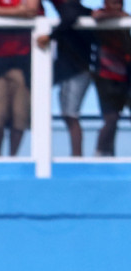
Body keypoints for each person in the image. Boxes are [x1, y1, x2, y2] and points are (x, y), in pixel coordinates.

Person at [0, 0, 40, 156]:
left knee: (20, 117)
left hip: (23, 64)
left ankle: (13, 156)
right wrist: (18, 12)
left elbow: (32, 10)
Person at [36, 0, 92, 157]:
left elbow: (70, 17)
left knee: (71, 115)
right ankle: (75, 155)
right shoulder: (76, 10)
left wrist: (50, 36)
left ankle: (76, 156)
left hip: (77, 72)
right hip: (69, 71)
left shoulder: (71, 8)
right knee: (68, 115)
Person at [93, 0, 130, 156]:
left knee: (113, 119)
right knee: (111, 118)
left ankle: (108, 154)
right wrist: (118, 15)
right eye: (113, 3)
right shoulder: (100, 16)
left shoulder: (125, 23)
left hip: (126, 78)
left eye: (119, 3)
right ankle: (101, 154)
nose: (117, 6)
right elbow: (97, 16)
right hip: (106, 77)